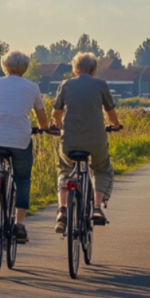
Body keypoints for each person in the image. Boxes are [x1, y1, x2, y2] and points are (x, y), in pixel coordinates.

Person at [0, 50, 51, 243]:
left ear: (4, 66)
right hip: (20, 139)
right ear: (25, 68)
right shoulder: (32, 87)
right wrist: (43, 128)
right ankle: (20, 225)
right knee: (22, 178)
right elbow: (41, 116)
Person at [51, 52, 122, 233]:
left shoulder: (65, 85)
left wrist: (56, 126)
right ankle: (97, 207)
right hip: (96, 141)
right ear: (93, 69)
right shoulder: (100, 85)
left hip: (70, 142)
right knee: (101, 169)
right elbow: (110, 110)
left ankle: (62, 211)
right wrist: (115, 125)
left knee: (65, 169)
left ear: (75, 68)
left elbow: (57, 112)